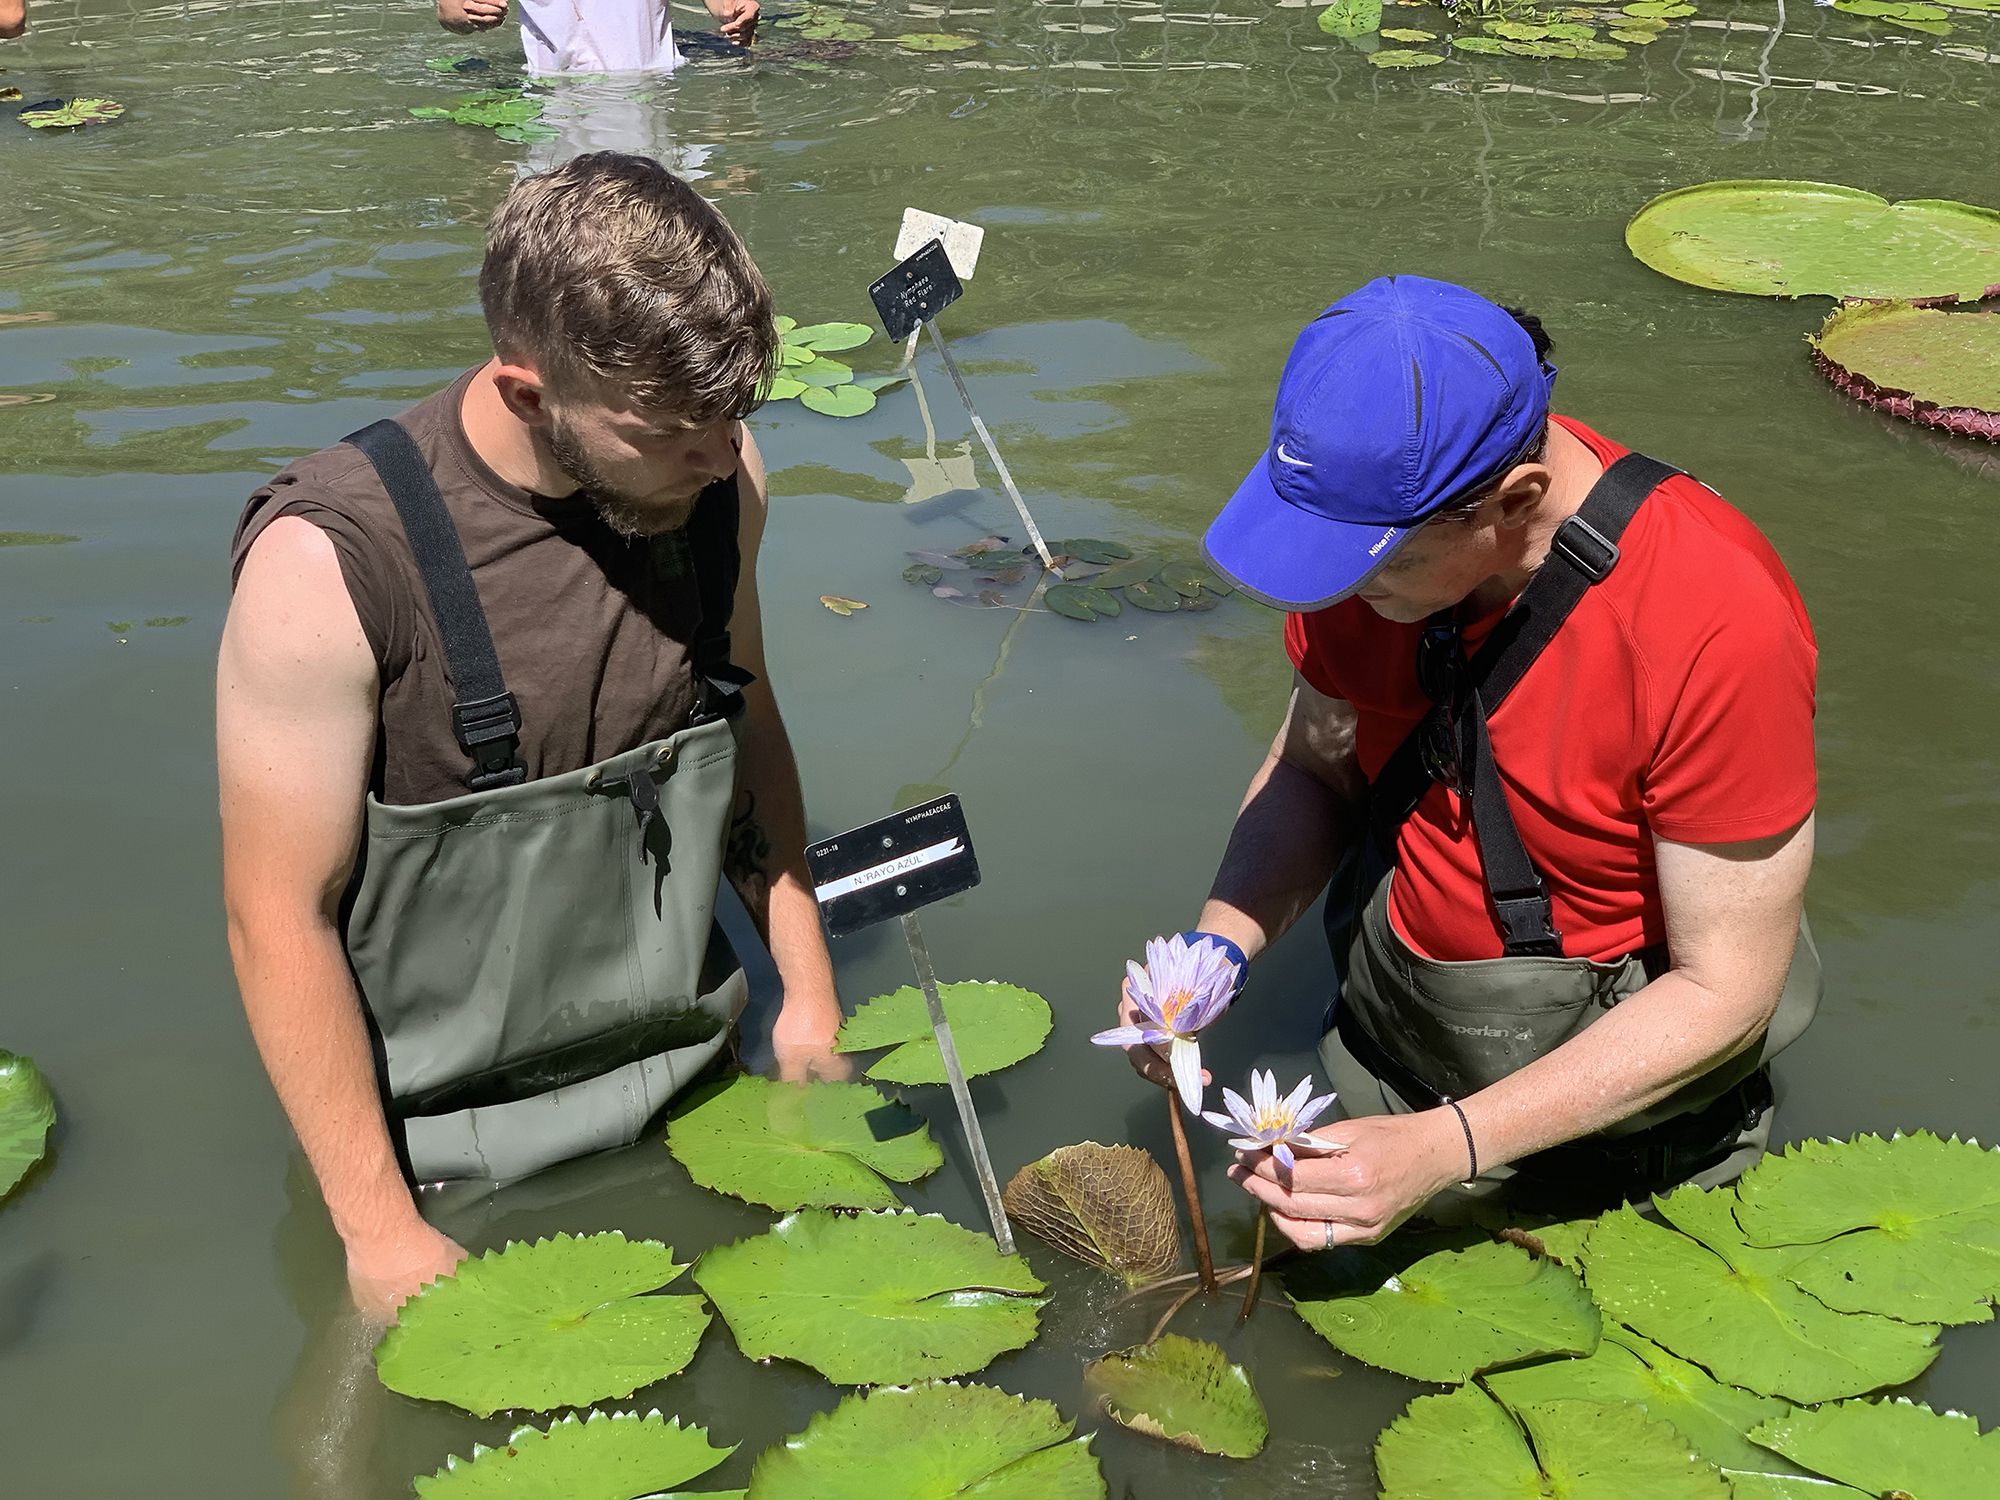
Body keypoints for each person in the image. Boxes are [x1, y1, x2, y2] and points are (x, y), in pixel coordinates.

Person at [218, 151, 845, 1322]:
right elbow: (275, 917)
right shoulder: (326, 565)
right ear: (524, 392)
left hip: (694, 1075)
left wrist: (805, 998)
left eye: (736, 419)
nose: (720, 458)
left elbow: (747, 715)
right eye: (671, 431)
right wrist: (377, 1228)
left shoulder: (720, 476)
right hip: (440, 1154)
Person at [1116, 275, 1821, 1251]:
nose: (1340, 595)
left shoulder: (1713, 621)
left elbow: (1724, 992)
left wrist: (1445, 1146)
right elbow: (1313, 772)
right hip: (1387, 1050)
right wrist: (1215, 949)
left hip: (1614, 1132)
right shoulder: (1355, 546)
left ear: (1514, 499)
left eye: (1378, 565)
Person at [437, 0, 759, 73]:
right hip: (559, 100)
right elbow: (449, 11)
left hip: (655, 91)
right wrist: (465, 14)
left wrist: (735, 11)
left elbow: (727, 5)